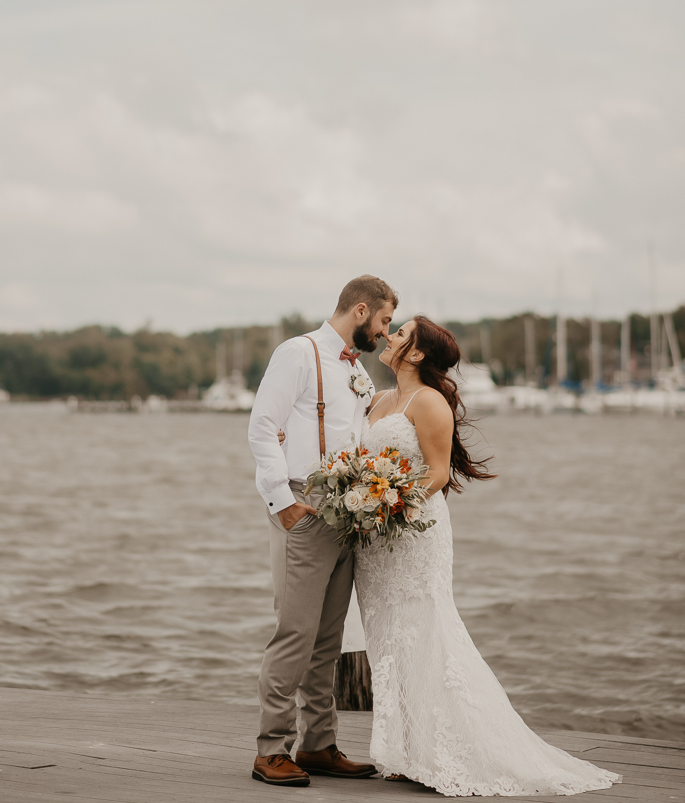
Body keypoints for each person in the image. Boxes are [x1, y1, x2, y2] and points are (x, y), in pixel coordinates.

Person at [354, 315, 621, 796]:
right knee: (388, 637)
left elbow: (435, 474)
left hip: (413, 532)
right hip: (377, 541)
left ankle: (444, 752)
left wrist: (388, 501)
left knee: (427, 631)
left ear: (415, 353)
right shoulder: (377, 399)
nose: (388, 337)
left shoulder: (429, 402)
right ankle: (406, 750)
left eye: (399, 333)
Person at [247, 275, 398, 787]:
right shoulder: (298, 353)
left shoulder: (358, 371)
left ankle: (318, 744)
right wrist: (283, 503)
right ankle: (270, 750)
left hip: (347, 512)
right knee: (294, 633)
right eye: (381, 322)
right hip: (304, 506)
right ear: (360, 311)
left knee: (328, 640)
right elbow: (262, 426)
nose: (383, 333)